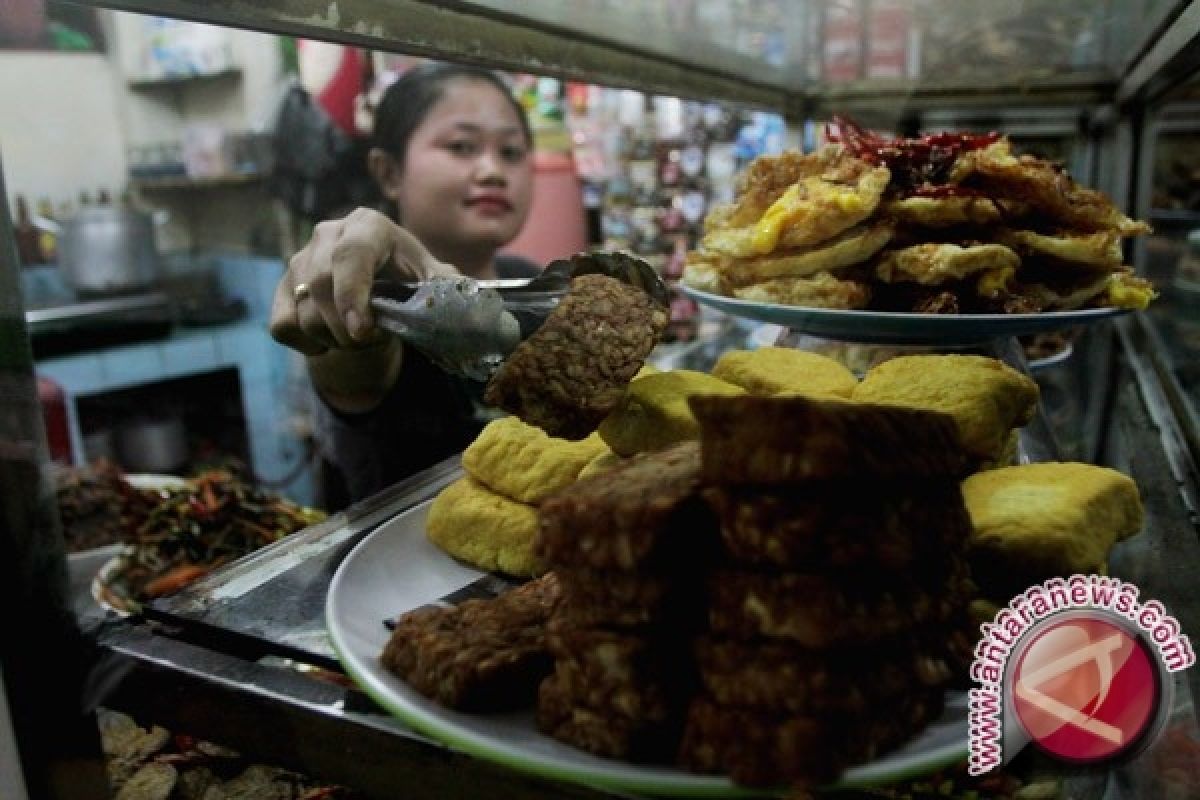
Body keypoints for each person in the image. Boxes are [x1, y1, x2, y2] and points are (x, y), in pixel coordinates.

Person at [269, 62, 538, 508]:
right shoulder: (384, 302)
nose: (493, 170)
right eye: (461, 146)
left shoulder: (528, 280)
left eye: (511, 152)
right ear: (389, 173)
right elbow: (354, 366)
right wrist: (349, 302)